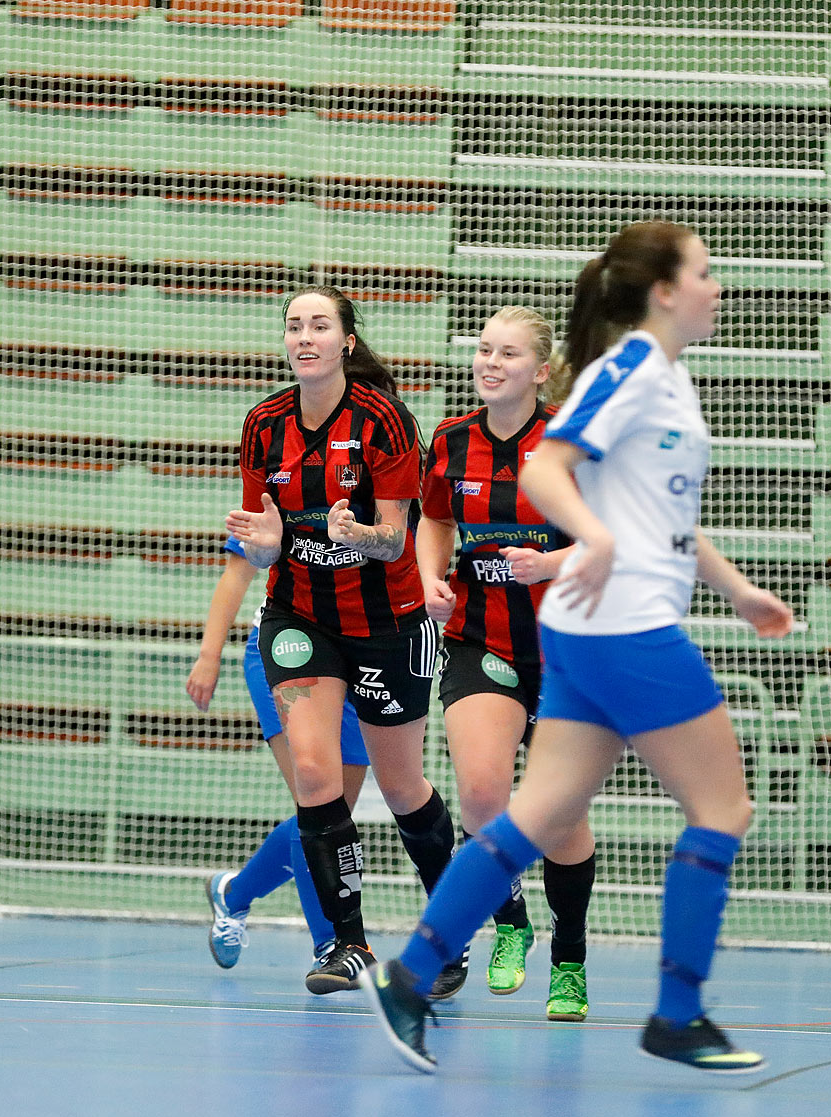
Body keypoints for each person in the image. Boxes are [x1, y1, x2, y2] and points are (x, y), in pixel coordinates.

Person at [363, 221, 794, 1073]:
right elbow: (545, 470)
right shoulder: (632, 369)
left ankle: (410, 977)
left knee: (532, 817)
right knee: (723, 809)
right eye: (704, 273)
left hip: (594, 627)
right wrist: (592, 540)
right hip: (626, 624)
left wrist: (736, 588)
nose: (717, 287)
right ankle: (676, 1012)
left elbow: (659, 520)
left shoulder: (665, 378)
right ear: (664, 292)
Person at [226, 285, 461, 996]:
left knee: (401, 788)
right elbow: (262, 546)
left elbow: (399, 536)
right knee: (317, 777)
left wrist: (363, 536)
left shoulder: (384, 419)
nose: (305, 336)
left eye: (319, 325)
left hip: (387, 624)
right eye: (294, 326)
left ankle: (448, 936)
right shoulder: (263, 425)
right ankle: (347, 944)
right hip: (300, 620)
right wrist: (267, 547)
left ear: (345, 343)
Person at [416, 306, 598, 1020]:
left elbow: (613, 537)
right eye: (484, 348)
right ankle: (511, 923)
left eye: (509, 353)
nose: (491, 362)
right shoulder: (452, 440)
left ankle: (572, 959)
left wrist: (547, 562)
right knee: (484, 795)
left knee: (559, 815)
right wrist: (431, 575)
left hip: (564, 647)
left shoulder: (569, 444)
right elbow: (434, 517)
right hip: (478, 638)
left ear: (541, 370)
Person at [187, 535, 369, 968]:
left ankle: (233, 894)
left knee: (334, 812)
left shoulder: (389, 491)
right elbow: (237, 574)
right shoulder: (281, 480)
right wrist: (209, 656)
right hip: (288, 651)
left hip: (363, 655)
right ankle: (331, 942)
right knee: (318, 805)